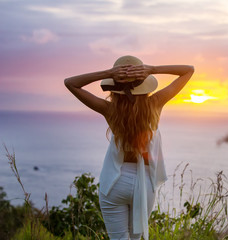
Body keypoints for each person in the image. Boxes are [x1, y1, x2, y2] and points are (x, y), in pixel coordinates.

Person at [64, 55, 194, 240]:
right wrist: (153, 69)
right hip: (144, 183)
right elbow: (188, 70)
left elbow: (70, 83)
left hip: (115, 181)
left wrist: (108, 73)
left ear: (114, 86)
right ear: (145, 83)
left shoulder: (110, 110)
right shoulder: (154, 104)